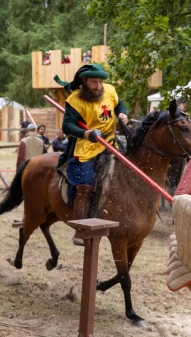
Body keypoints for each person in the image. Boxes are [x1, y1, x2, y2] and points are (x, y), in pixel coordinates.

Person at [55, 63, 129, 229]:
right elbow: (67, 125)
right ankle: (80, 228)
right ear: (84, 82)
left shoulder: (109, 90)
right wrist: (87, 134)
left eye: (100, 82)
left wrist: (122, 113)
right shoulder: (75, 100)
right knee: (85, 184)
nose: (99, 85)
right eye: (94, 82)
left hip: (110, 142)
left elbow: (119, 104)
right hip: (86, 146)